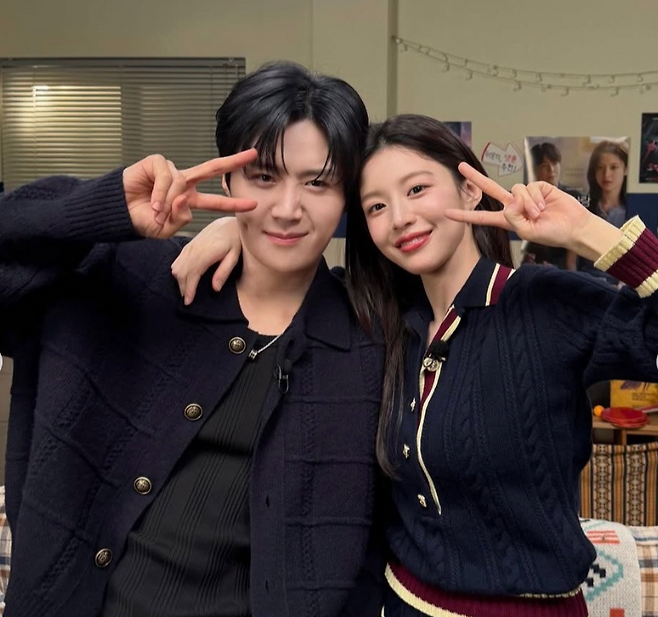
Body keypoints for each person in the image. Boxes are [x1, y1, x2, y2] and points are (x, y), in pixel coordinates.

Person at [175, 114, 658, 616]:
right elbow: (283, 281)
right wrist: (236, 230)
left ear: (470, 190)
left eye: (417, 189)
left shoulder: (544, 304)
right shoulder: (381, 321)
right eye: (376, 206)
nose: (400, 218)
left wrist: (588, 233)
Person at [0, 61, 386, 617]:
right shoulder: (132, 278)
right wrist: (103, 209)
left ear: (346, 195)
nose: (287, 210)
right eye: (264, 177)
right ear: (227, 179)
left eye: (317, 183)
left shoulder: (369, 343)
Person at [577, 139, 629, 282]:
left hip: (621, 286)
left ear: (625, 169)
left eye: (614, 167)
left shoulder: (632, 212)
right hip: (586, 283)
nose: (606, 175)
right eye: (600, 167)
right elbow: (571, 261)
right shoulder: (584, 209)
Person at [521, 142, 579, 269]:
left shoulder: (573, 196)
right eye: (544, 166)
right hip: (534, 260)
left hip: (563, 260)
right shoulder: (527, 196)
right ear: (534, 170)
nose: (551, 170)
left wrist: (571, 267)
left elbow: (576, 235)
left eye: (554, 163)